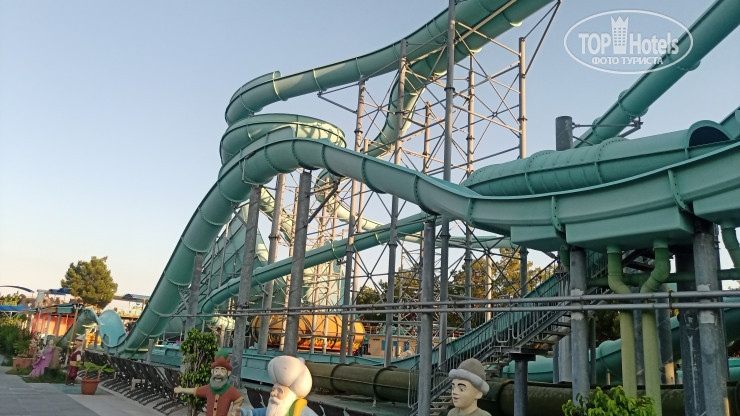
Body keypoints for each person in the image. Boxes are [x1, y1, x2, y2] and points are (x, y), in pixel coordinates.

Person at [174, 350, 244, 416]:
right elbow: (196, 390)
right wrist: (182, 389)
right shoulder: (208, 388)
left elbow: (239, 399)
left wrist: (233, 412)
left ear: (228, 373)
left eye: (223, 371)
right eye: (216, 370)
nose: (218, 373)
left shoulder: (230, 390)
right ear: (212, 371)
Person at [247, 355, 317, 416]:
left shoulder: (303, 412)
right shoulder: (275, 408)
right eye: (273, 389)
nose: (272, 393)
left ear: (291, 395)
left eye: (280, 391)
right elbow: (258, 412)